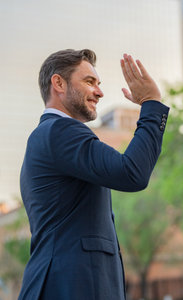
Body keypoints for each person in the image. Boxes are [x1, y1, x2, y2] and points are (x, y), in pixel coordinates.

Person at [19, 49, 169, 299]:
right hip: (69, 286)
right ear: (58, 83)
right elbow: (132, 173)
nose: (99, 92)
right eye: (89, 82)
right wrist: (151, 105)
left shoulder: (50, 136)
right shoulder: (60, 130)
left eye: (99, 83)